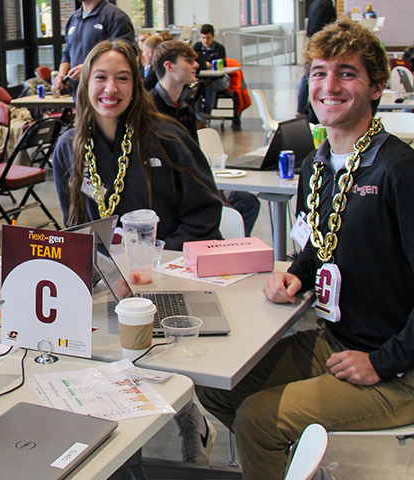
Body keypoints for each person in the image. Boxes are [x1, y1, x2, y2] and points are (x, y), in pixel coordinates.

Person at [195, 19, 414, 479]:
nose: (328, 86)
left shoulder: (399, 170)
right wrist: (298, 272)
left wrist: (384, 361)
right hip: (337, 340)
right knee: (215, 387)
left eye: (346, 73)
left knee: (258, 422)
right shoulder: (319, 163)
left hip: (398, 366)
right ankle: (292, 464)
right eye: (317, 72)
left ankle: (277, 452)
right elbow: (322, 244)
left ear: (376, 88)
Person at [52, 40, 222, 251]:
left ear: (135, 86)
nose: (111, 88)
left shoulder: (169, 137)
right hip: (104, 274)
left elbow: (205, 213)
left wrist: (157, 260)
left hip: (171, 268)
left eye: (122, 78)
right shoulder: (68, 146)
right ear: (86, 83)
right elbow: (75, 223)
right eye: (101, 77)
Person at [150, 40, 261, 237]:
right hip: (171, 195)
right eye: (188, 60)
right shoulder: (150, 110)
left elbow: (196, 160)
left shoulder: (186, 109)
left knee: (248, 202)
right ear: (169, 66)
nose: (196, 65)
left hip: (190, 187)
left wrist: (214, 193)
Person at [52, 0, 135, 97]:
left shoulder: (115, 16)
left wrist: (89, 68)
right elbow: (66, 54)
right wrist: (61, 75)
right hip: (79, 95)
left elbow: (127, 54)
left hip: (107, 95)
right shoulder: (74, 19)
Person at [297, 0, 336, 117]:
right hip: (319, 45)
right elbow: (325, 28)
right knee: (311, 77)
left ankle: (302, 107)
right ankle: (306, 108)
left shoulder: (316, 3)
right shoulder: (326, 5)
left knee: (308, 76)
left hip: (311, 42)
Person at [193, 24, 230, 116]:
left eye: (208, 38)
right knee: (195, 88)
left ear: (213, 36)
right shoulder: (197, 47)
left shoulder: (219, 48)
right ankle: (199, 115)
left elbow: (223, 66)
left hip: (219, 79)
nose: (205, 41)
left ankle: (207, 114)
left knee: (210, 87)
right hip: (202, 78)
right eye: (203, 38)